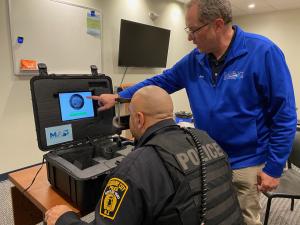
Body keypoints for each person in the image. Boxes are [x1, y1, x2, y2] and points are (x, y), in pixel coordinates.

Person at [90, 1, 297, 225]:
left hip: (246, 162)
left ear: (217, 25)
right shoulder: (194, 60)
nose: (190, 38)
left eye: (193, 30)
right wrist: (120, 96)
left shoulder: (263, 52)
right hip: (208, 158)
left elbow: (284, 115)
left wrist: (275, 167)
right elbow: (161, 81)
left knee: (243, 219)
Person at [45, 85, 244, 225]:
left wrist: (64, 219)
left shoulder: (136, 167)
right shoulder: (205, 138)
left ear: (139, 119)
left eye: (130, 115)